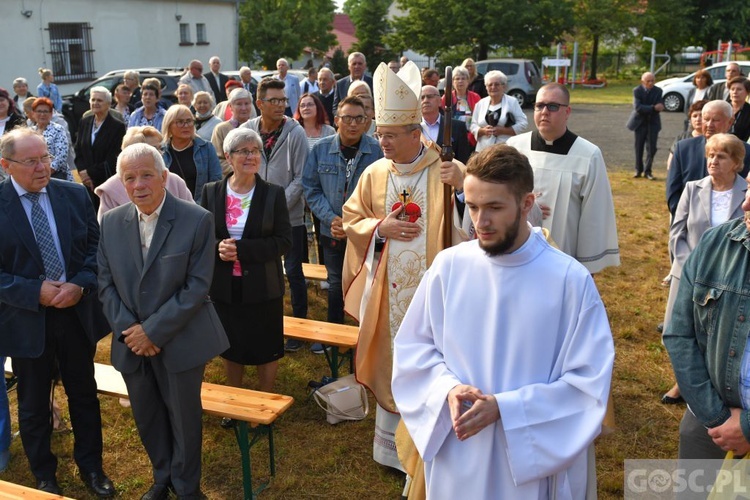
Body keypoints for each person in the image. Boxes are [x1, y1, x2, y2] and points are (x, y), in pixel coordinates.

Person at [392, 144, 614, 499]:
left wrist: (506, 410)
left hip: (530, 459)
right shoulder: (449, 267)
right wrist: (447, 389)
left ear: (527, 204)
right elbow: (414, 349)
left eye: (494, 208)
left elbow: (588, 383)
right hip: (458, 448)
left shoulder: (568, 280)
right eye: (473, 206)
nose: (480, 222)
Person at [342, 61, 469, 472]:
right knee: (392, 356)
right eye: (379, 134)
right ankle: (391, 451)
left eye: (390, 135)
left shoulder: (444, 172)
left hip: (434, 293)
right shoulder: (376, 173)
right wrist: (380, 227)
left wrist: (464, 185)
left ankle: (430, 445)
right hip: (386, 290)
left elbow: (473, 225)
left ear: (416, 133)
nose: (382, 142)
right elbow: (351, 217)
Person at [97, 143, 228, 500]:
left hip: (180, 339)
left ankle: (187, 487)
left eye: (146, 175)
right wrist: (133, 333)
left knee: (184, 418)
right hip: (132, 344)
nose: (138, 184)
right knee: (148, 415)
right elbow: (105, 284)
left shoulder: (196, 219)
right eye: (129, 178)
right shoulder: (110, 222)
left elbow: (196, 286)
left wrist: (152, 331)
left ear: (164, 177)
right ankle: (162, 477)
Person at [0, 129, 115, 497]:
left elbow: (95, 247)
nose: (43, 166)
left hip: (75, 313)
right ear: (6, 165)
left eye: (46, 157)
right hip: (25, 319)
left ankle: (92, 468)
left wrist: (79, 284)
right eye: (31, 160)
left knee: (83, 394)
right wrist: (35, 291)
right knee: (33, 402)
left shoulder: (73, 193)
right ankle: (44, 473)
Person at [663, 165, 750, 462]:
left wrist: (747, 427)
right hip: (710, 424)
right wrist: (716, 417)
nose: (746, 203)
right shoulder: (715, 244)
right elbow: (678, 333)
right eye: (749, 188)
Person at [200, 128, 291, 411]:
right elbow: (201, 236)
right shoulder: (211, 191)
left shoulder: (273, 194)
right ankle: (235, 399)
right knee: (231, 343)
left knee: (266, 343)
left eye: (255, 151)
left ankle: (264, 402)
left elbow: (284, 241)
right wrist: (218, 247)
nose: (251, 156)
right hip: (225, 286)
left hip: (264, 284)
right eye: (244, 151)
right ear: (228, 156)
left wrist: (243, 250)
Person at [507, 83, 620, 273]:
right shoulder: (514, 147)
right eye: (539, 105)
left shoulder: (587, 154)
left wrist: (586, 267)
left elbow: (594, 214)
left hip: (564, 253)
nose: (544, 112)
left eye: (552, 106)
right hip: (517, 251)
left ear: (567, 112)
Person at [302, 95, 383, 344]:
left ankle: (366, 339)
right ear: (337, 121)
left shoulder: (376, 151)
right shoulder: (320, 149)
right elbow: (311, 189)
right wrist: (331, 220)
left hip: (363, 233)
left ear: (368, 122)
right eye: (347, 118)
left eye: (359, 118)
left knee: (368, 284)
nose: (353, 123)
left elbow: (381, 192)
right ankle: (334, 336)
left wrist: (355, 225)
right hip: (332, 230)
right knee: (335, 283)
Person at [241, 78, 310, 352]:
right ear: (260, 103)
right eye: (275, 100)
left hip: (289, 217)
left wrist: (276, 206)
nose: (281, 105)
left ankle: (299, 328)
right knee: (258, 271)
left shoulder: (296, 133)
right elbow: (241, 168)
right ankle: (259, 324)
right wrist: (257, 206)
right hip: (255, 215)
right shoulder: (247, 130)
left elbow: (302, 177)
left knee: (293, 271)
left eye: (284, 100)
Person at [667, 100, 750, 217]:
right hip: (688, 222)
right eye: (705, 119)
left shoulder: (745, 151)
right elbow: (673, 190)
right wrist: (684, 219)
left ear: (730, 122)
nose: (709, 124)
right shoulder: (683, 148)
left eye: (716, 120)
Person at [95, 126, 193, 222]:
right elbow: (109, 231)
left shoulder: (175, 181)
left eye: (160, 148)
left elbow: (192, 219)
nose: (160, 154)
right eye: (153, 149)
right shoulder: (110, 190)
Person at [76, 86, 126, 208]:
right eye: (93, 100)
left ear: (108, 104)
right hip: (87, 183)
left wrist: (90, 173)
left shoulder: (117, 127)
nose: (95, 103)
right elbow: (78, 150)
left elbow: (113, 158)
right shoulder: (85, 122)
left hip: (106, 181)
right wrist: (83, 173)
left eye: (99, 100)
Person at [161, 104, 222, 204]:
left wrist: (199, 206)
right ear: (169, 126)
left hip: (200, 207)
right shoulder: (162, 151)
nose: (186, 126)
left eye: (189, 121)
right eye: (180, 122)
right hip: (170, 208)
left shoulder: (206, 148)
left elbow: (215, 182)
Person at [471, 70, 527, 152]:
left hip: (506, 149)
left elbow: (523, 123)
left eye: (497, 84)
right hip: (483, 151)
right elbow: (473, 125)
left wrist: (504, 131)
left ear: (504, 86)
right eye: (490, 85)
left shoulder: (512, 102)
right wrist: (482, 131)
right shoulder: (480, 104)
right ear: (486, 87)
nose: (493, 87)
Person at [420, 85, 472, 164]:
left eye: (430, 96)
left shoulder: (457, 127)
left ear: (440, 101)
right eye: (422, 97)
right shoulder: (411, 127)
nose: (426, 100)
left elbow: (463, 159)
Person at [626, 72, 664, 179]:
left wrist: (651, 108)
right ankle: (638, 170)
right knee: (639, 148)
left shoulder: (658, 91)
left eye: (652, 80)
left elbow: (660, 105)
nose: (651, 83)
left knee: (651, 149)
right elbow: (638, 107)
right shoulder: (637, 91)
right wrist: (652, 108)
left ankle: (648, 171)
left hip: (653, 124)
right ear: (642, 81)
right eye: (648, 81)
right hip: (640, 124)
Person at [211, 88, 256, 174]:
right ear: (230, 107)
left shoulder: (256, 127)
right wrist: (241, 169)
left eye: (247, 103)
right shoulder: (221, 129)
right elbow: (216, 160)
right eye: (239, 104)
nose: (244, 108)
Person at [30, 98, 70, 181]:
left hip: (55, 175)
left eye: (45, 111)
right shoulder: (30, 131)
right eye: (39, 111)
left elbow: (61, 155)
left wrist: (46, 172)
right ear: (33, 113)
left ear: (51, 113)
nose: (42, 114)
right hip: (34, 175)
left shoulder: (58, 129)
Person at [441, 66, 481, 146]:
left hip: (472, 136)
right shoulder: (446, 97)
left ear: (468, 81)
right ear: (452, 81)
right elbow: (442, 117)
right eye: (457, 79)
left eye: (463, 78)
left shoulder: (475, 97)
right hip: (452, 137)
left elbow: (480, 117)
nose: (460, 81)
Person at [667, 100, 708, 171]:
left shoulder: (713, 138)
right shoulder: (681, 137)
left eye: (701, 116)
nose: (698, 119)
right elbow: (671, 163)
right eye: (694, 116)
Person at [728, 76, 750, 142]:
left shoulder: (748, 111)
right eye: (732, 89)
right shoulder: (721, 107)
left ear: (747, 92)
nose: (735, 92)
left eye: (739, 89)